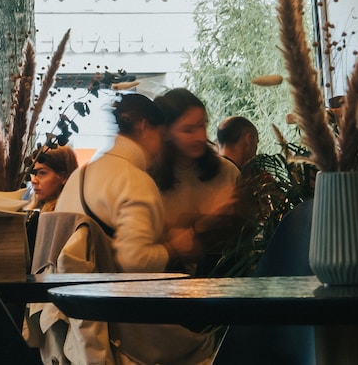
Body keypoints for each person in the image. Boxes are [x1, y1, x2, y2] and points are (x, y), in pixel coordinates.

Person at [53, 94, 213, 365]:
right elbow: (134, 261)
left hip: (73, 329)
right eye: (161, 135)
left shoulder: (79, 176)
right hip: (122, 334)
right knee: (210, 343)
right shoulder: (135, 181)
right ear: (144, 128)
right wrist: (174, 247)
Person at [152, 88, 240, 272]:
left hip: (222, 283)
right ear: (165, 132)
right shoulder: (147, 179)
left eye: (203, 126)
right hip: (164, 288)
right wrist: (204, 223)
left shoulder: (226, 171)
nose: (201, 137)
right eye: (188, 130)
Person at [26, 146, 78, 212]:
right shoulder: (33, 210)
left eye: (42, 173)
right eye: (33, 173)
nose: (33, 180)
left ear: (64, 177)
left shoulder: (65, 215)